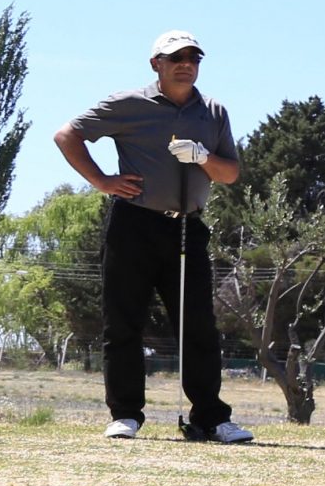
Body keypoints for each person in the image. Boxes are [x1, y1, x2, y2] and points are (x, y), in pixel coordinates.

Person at [53, 31, 253, 443]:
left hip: (187, 227)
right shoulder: (128, 104)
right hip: (135, 223)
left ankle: (210, 419)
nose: (186, 64)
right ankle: (126, 414)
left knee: (198, 325)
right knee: (124, 321)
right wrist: (102, 180)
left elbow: (230, 174)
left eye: (193, 57)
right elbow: (67, 135)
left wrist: (202, 156)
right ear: (155, 64)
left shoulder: (213, 111)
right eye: (175, 57)